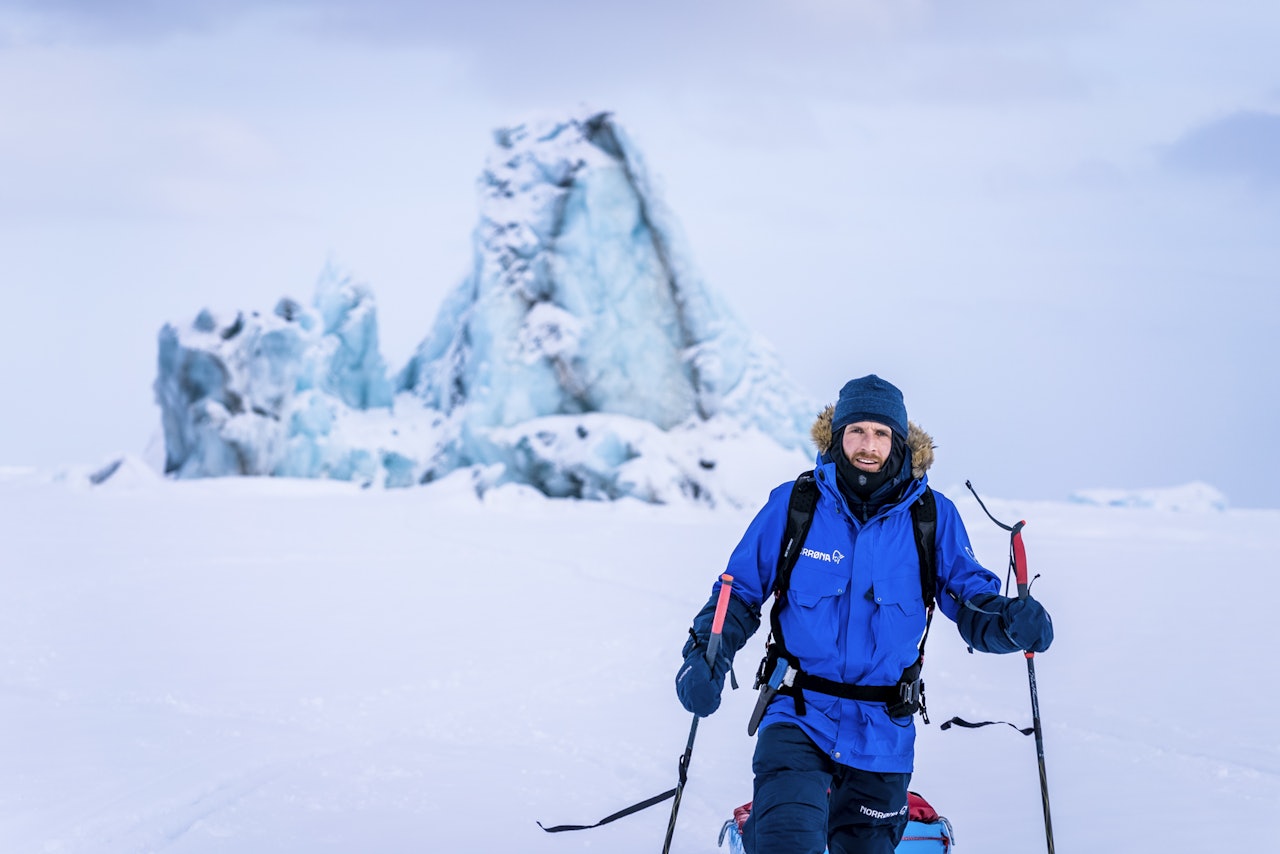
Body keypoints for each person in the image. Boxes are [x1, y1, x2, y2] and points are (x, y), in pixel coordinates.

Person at [674, 374, 1053, 854]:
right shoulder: (796, 504)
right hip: (798, 714)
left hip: (883, 733)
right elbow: (739, 591)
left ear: (898, 441)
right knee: (787, 843)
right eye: (856, 431)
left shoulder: (931, 517)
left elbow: (970, 599)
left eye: (880, 433)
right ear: (837, 436)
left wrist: (1008, 622)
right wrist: (706, 654)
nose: (867, 445)